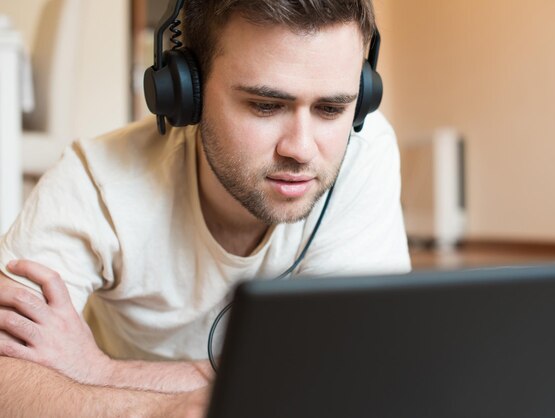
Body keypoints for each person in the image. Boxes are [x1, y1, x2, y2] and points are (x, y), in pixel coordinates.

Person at [0, 0, 410, 415]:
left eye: (331, 109)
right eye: (266, 106)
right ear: (185, 93)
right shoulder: (96, 182)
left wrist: (100, 373)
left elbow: (356, 373)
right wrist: (163, 411)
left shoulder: (363, 151)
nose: (301, 149)